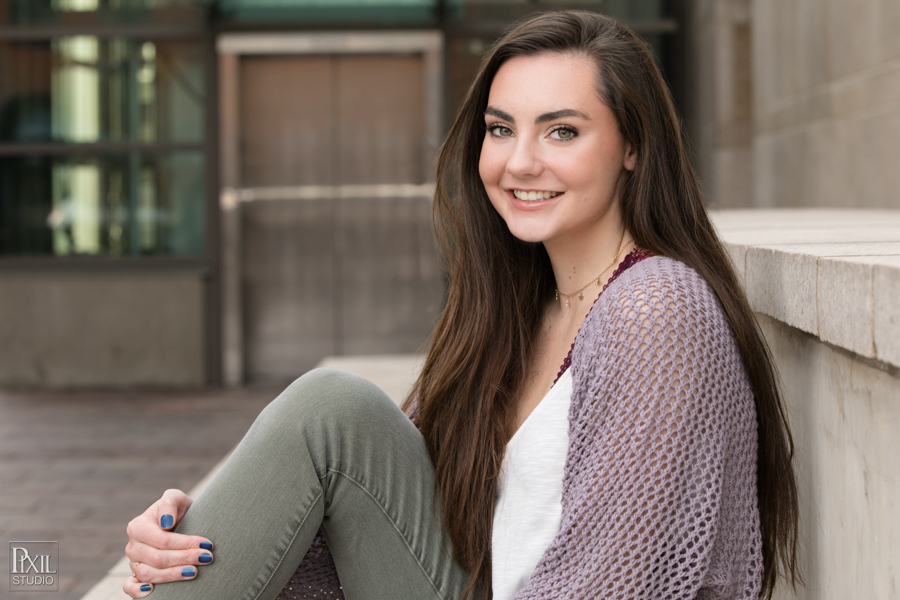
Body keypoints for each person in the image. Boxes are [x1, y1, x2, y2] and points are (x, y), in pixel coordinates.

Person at [123, 10, 799, 600]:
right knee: (329, 421)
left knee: (332, 409)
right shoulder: (518, 309)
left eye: (562, 131)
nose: (519, 162)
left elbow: (618, 582)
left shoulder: (656, 310)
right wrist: (217, 530)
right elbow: (378, 508)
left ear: (633, 146)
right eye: (500, 130)